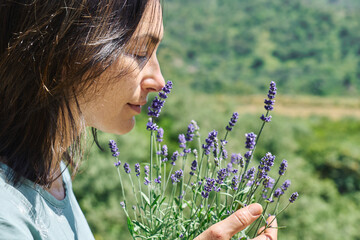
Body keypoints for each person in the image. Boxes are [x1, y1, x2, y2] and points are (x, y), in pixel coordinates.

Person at [0, 0, 277, 239]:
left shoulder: (53, 172)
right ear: (65, 49)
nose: (159, 81)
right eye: (139, 51)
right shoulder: (7, 213)